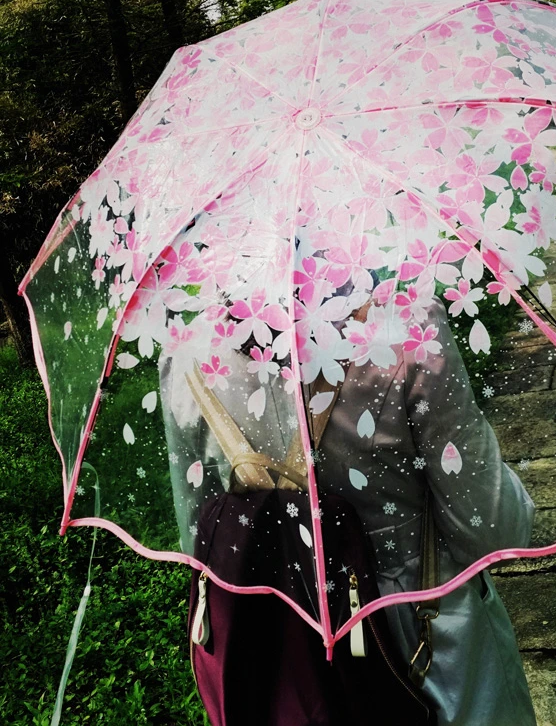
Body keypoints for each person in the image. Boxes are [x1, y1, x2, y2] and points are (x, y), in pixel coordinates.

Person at [159, 297, 536, 726]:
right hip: (423, 638)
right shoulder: (404, 330)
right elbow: (492, 531)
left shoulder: (185, 354)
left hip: (273, 648)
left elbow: (199, 539)